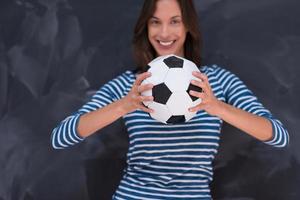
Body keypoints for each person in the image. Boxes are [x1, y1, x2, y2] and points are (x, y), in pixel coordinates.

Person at [51, 0, 289, 199]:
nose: (164, 33)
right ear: (146, 27)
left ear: (188, 27)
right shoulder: (130, 85)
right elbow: (60, 137)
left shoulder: (217, 80)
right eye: (155, 22)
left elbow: (278, 136)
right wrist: (125, 105)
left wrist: (217, 107)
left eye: (174, 21)